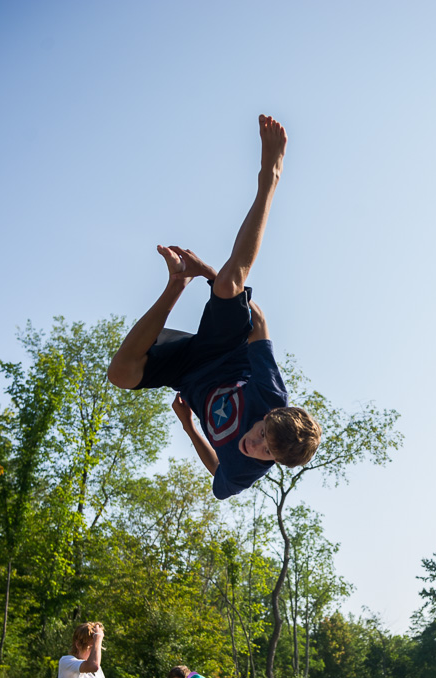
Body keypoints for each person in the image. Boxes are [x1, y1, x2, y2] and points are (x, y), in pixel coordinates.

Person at [107, 114, 321, 501]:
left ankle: (176, 284)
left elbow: (220, 481)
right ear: (267, 418)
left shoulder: (247, 469)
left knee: (121, 374)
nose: (255, 445)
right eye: (261, 435)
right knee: (227, 282)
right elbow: (258, 323)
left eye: (266, 450)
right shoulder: (272, 397)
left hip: (188, 377)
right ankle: (269, 177)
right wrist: (215, 280)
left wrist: (190, 427)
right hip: (223, 350)